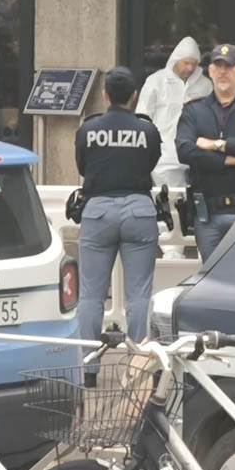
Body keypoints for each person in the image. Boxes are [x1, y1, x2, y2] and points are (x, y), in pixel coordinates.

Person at [74, 67, 161, 385]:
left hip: (97, 211)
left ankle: (89, 370)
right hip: (139, 209)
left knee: (91, 296)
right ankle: (137, 367)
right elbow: (151, 162)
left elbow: (82, 166)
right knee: (139, 295)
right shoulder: (147, 131)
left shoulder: (89, 129)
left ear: (105, 95)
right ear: (134, 96)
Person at [176, 43, 235, 260]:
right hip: (208, 213)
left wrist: (218, 145)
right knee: (211, 280)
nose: (222, 72)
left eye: (229, 66)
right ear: (209, 71)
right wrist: (230, 161)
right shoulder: (194, 110)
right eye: (217, 66)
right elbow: (185, 151)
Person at [135, 36, 212, 186]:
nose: (190, 68)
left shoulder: (205, 85)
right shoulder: (156, 81)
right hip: (164, 156)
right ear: (176, 59)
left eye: (194, 64)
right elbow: (143, 118)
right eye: (186, 63)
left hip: (196, 154)